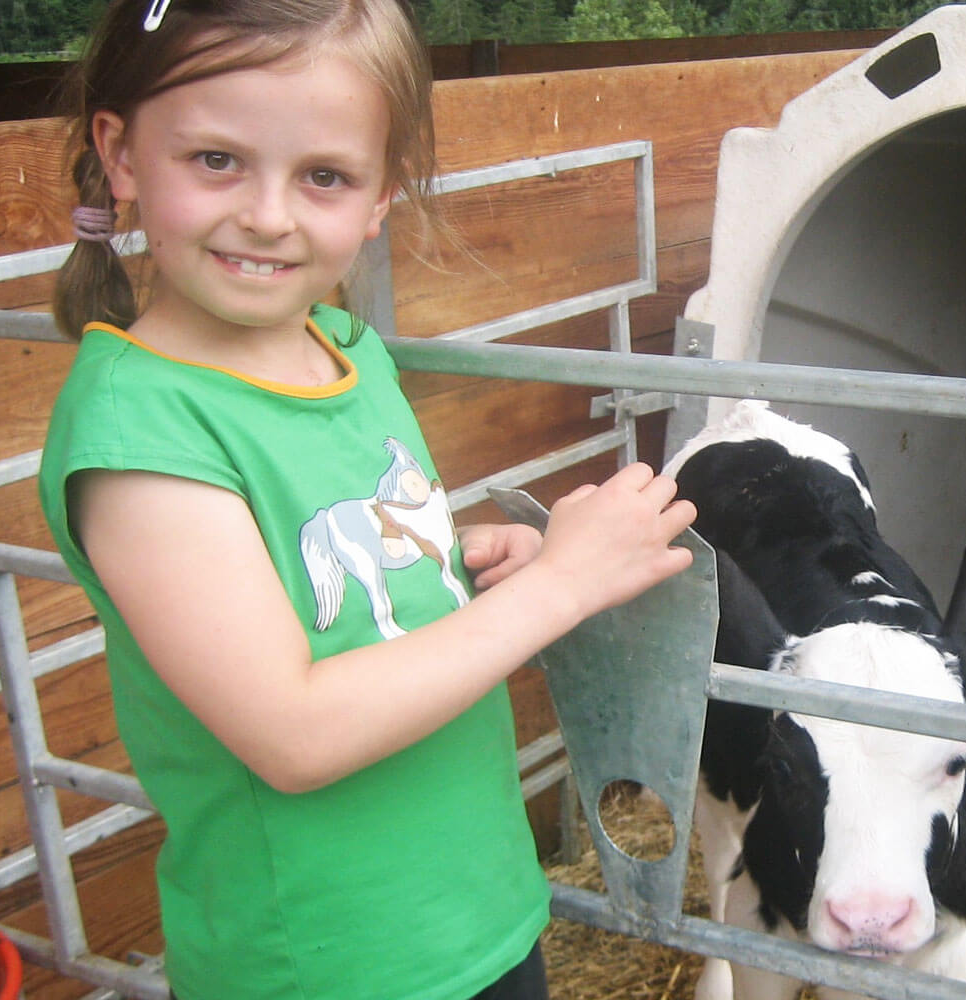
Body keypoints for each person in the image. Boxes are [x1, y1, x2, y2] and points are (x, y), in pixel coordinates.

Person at [37, 2, 697, 999]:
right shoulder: (144, 434)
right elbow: (295, 732)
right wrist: (560, 587)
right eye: (215, 159)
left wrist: (461, 562)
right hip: (331, 964)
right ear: (122, 156)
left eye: (324, 177)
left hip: (475, 912)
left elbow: (333, 585)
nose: (267, 213)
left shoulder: (347, 354)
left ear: (380, 196)